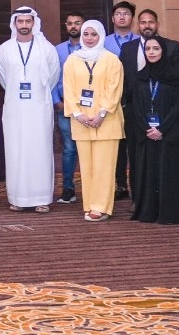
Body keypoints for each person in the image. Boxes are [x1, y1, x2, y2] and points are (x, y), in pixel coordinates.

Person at [117, 9, 179, 206]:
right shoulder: (128, 48)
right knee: (138, 158)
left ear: (157, 24)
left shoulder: (172, 46)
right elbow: (123, 80)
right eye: (143, 22)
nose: (147, 25)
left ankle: (165, 201)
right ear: (137, 25)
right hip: (136, 113)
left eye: (151, 22)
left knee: (164, 159)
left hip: (165, 113)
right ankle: (138, 200)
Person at [0, 7, 60, 213]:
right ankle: (17, 198)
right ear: (14, 23)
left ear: (34, 23)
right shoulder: (5, 49)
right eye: (20, 21)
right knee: (16, 151)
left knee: (40, 150)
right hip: (15, 109)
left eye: (28, 21)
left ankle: (42, 198)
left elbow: (53, 76)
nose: (24, 25)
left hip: (39, 108)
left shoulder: (46, 48)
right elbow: (4, 79)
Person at [63, 20, 124, 222]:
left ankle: (101, 207)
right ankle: (89, 204)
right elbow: (68, 89)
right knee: (87, 166)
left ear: (101, 36)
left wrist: (102, 113)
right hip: (81, 120)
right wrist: (77, 113)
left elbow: (114, 89)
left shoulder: (112, 60)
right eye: (86, 34)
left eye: (94, 34)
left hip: (106, 120)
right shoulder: (72, 60)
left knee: (104, 166)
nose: (89, 38)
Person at [128, 36, 179, 224]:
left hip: (168, 134)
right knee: (148, 173)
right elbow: (136, 106)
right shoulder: (140, 77)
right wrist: (147, 129)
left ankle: (168, 214)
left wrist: (162, 129)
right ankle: (148, 212)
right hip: (146, 134)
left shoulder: (175, 77)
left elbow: (178, 107)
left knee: (167, 172)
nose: (151, 52)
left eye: (156, 48)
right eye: (148, 49)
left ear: (163, 51)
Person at [103, 0, 138, 201]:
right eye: (118, 13)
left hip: (134, 100)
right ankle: (120, 185)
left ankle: (137, 185)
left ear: (132, 18)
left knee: (134, 144)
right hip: (110, 99)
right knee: (117, 145)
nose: (122, 16)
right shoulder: (103, 42)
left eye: (126, 13)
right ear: (113, 18)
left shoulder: (141, 41)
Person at [51, 12, 83, 204]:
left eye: (77, 23)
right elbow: (53, 78)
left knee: (87, 149)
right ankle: (68, 189)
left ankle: (91, 189)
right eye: (70, 23)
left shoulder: (93, 49)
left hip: (87, 107)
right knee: (69, 149)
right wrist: (57, 101)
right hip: (65, 106)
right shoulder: (58, 50)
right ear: (66, 26)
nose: (74, 27)